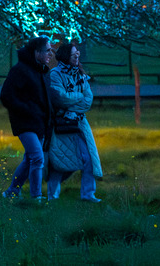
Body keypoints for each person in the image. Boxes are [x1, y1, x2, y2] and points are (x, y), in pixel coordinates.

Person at [47, 42, 102, 202]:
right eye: (73, 54)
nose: (77, 56)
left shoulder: (80, 75)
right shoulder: (55, 74)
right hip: (61, 125)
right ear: (65, 57)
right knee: (59, 160)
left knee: (89, 158)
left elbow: (88, 100)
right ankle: (53, 197)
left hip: (79, 123)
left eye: (77, 53)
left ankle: (88, 194)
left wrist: (73, 108)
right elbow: (60, 98)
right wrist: (77, 97)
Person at [0, 36, 54, 200]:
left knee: (30, 159)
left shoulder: (42, 72)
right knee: (37, 158)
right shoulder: (20, 70)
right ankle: (36, 197)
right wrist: (27, 110)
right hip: (25, 123)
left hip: (39, 123)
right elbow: (6, 96)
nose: (50, 54)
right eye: (48, 50)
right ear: (37, 52)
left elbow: (45, 100)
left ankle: (12, 192)